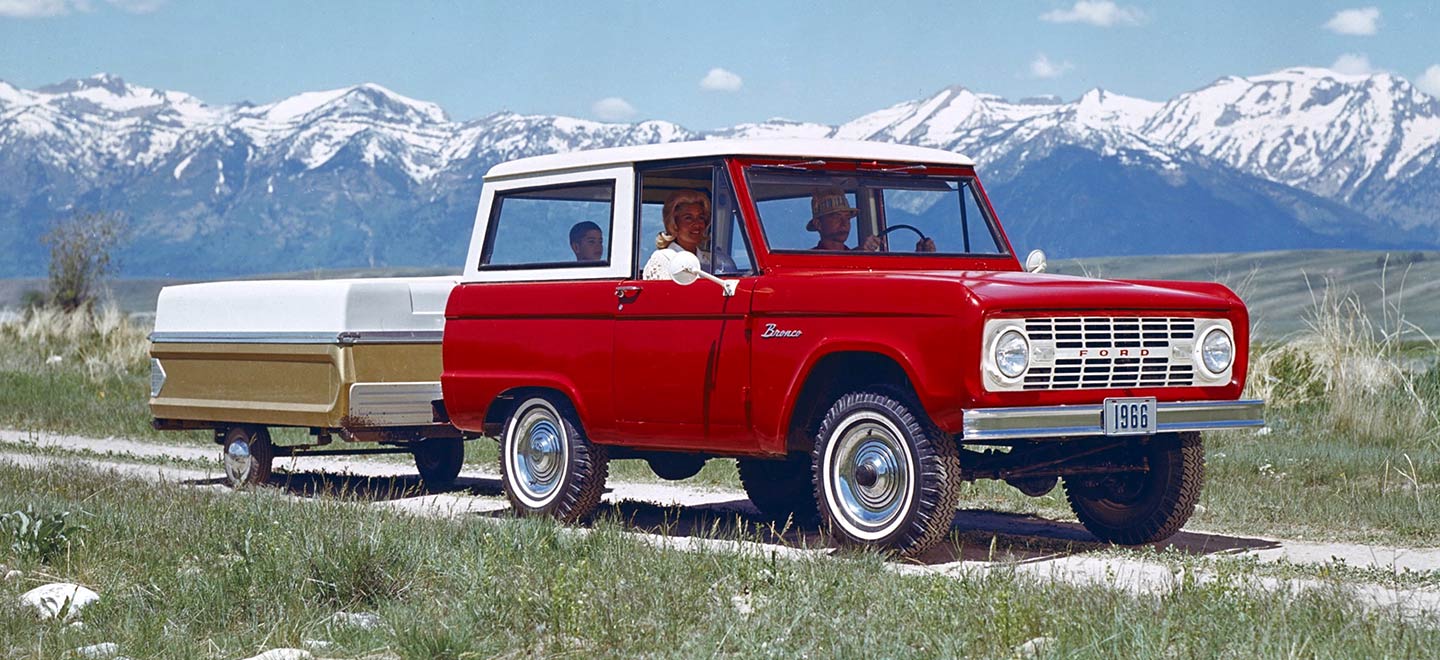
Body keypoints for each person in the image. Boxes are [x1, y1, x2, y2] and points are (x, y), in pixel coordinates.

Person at [807, 187, 936, 252]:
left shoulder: (865, 262)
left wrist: (921, 257)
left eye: (847, 217)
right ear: (818, 224)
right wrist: (861, 254)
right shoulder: (808, 262)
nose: (844, 223)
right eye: (836, 216)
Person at [642, 190, 713, 280]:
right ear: (674, 223)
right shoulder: (664, 259)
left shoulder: (713, 261)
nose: (697, 224)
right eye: (688, 218)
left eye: (701, 218)